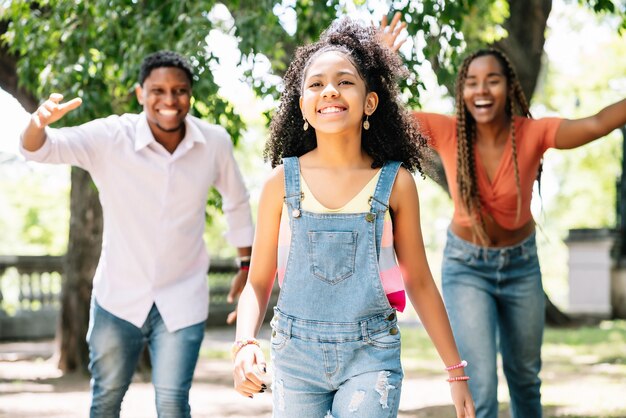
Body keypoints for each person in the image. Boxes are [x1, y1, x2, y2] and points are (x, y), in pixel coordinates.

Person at [380, 15, 626, 418]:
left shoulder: (534, 133)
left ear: (509, 86)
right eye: (472, 82)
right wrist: (382, 64)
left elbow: (596, 123)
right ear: (462, 91)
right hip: (467, 267)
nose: (481, 89)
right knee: (482, 387)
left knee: (526, 377)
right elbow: (384, 118)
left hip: (521, 266)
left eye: (492, 79)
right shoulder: (446, 131)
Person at [231, 18, 475, 418]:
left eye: (345, 81)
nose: (330, 90)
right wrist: (245, 345)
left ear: (370, 102)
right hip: (295, 357)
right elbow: (258, 283)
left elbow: (420, 283)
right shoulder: (280, 183)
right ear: (302, 105)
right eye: (316, 83)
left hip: (371, 355)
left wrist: (456, 373)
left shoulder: (395, 184)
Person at [20, 50, 254, 417]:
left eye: (179, 90)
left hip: (183, 297)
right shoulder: (110, 136)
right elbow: (39, 150)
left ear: (190, 94)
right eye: (157, 90)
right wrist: (38, 122)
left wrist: (246, 264)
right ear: (140, 93)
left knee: (173, 404)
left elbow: (236, 202)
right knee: (107, 398)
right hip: (118, 296)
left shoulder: (215, 142)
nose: (169, 100)